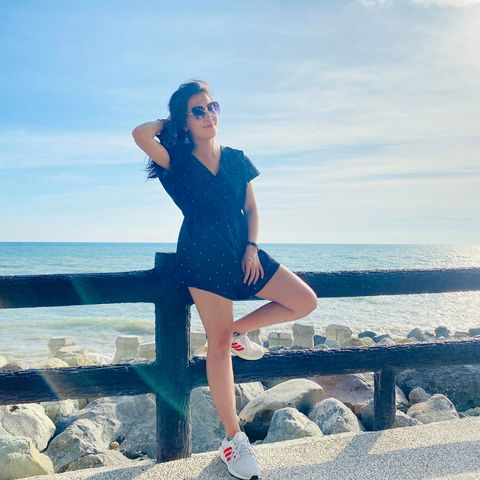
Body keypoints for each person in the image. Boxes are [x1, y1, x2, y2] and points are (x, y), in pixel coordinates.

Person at [132, 79, 318, 480]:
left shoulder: (236, 158)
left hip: (241, 250)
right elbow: (141, 134)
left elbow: (252, 209)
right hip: (201, 255)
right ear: (185, 120)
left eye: (212, 107)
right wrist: (172, 123)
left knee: (304, 300)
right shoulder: (176, 161)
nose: (209, 115)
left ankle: (238, 331)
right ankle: (235, 439)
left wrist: (252, 247)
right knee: (216, 345)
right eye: (198, 110)